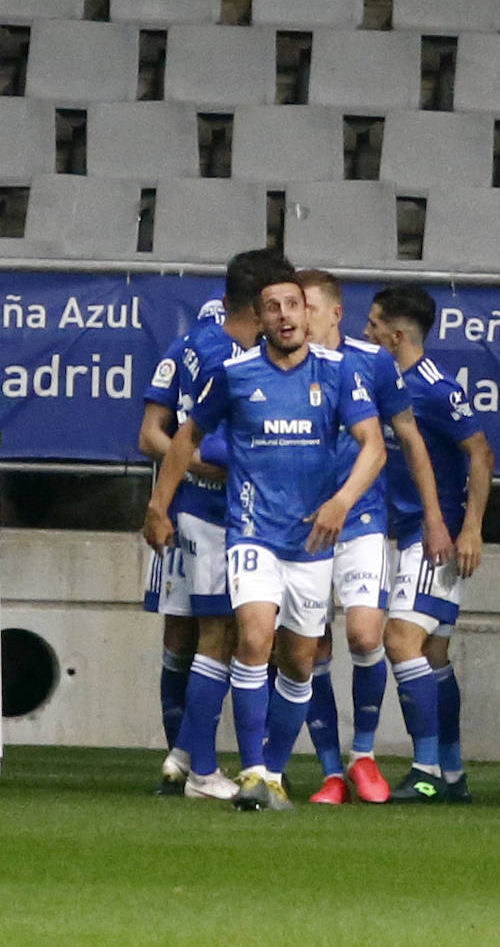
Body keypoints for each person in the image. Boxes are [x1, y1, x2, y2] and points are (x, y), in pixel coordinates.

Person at [143, 267, 386, 812]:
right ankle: (253, 770)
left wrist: (341, 502)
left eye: (292, 306)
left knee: (300, 661)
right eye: (272, 307)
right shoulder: (233, 373)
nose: (283, 316)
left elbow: (374, 446)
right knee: (253, 638)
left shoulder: (340, 372)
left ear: (307, 314)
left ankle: (272, 772)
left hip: (312, 541)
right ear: (261, 318)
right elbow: (186, 438)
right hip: (251, 532)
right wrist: (159, 505)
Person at [296, 270, 454, 806]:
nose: (296, 318)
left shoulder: (373, 364)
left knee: (366, 637)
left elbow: (408, 438)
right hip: (299, 523)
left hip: (362, 518)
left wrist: (434, 517)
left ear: (335, 313)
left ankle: (363, 755)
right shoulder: (278, 363)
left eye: (307, 308)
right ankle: (329, 772)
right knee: (307, 648)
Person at [139, 250, 292, 800]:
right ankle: (201, 768)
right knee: (219, 635)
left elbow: (151, 434)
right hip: (216, 512)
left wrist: (169, 490)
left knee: (194, 633)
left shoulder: (187, 345)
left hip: (190, 508)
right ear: (259, 304)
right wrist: (207, 467)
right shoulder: (239, 364)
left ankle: (181, 758)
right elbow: (187, 438)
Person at [363, 284, 494, 804]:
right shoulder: (385, 382)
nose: (366, 333)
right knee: (434, 655)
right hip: (397, 532)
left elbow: (481, 454)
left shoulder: (435, 389)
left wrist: (471, 528)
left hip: (432, 535)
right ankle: (453, 772)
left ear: (395, 336)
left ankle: (425, 771)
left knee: (400, 641)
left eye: (373, 326)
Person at [138, 297, 226, 794]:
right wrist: (192, 464)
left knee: (228, 636)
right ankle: (182, 763)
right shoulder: (184, 348)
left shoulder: (263, 358)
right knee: (182, 637)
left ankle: (187, 758)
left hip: (237, 514)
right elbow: (151, 434)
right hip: (182, 511)